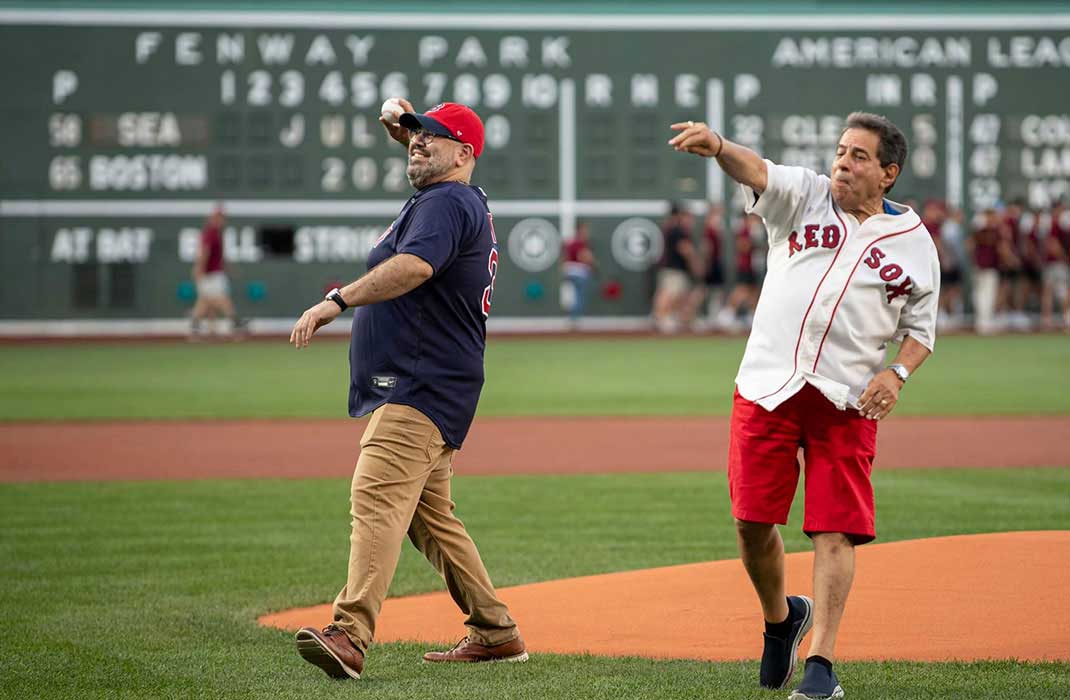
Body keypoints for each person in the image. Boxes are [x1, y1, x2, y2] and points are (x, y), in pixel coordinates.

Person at [669, 112, 939, 700]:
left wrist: (898, 372)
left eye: (859, 156)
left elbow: (922, 330)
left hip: (846, 398)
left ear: (888, 173)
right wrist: (717, 146)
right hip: (768, 383)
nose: (842, 162)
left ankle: (821, 666)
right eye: (841, 150)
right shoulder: (807, 195)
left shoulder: (916, 245)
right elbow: (758, 170)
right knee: (751, 522)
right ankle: (781, 618)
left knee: (834, 529)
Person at [288, 100, 526, 680]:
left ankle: (350, 634)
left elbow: (416, 266)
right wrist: (412, 135)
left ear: (465, 154)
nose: (418, 143)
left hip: (423, 383)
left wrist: (336, 299)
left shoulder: (446, 202)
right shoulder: (454, 196)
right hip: (439, 378)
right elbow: (437, 161)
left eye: (433, 137)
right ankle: (496, 632)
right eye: (417, 135)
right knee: (429, 517)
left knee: (374, 494)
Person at [189, 204, 245, 338]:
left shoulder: (216, 233)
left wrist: (228, 269)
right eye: (219, 217)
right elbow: (205, 253)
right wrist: (199, 269)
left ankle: (206, 329)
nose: (222, 220)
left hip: (213, 272)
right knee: (220, 300)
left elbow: (219, 256)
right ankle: (235, 323)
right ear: (213, 218)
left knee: (205, 301)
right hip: (211, 274)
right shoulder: (211, 233)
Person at [653, 203, 702, 333]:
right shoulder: (677, 230)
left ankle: (670, 318)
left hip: (676, 269)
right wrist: (696, 264)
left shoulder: (671, 229)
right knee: (668, 293)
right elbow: (686, 249)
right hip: (673, 269)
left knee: (678, 295)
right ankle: (661, 318)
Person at [717, 213, 763, 331]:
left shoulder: (754, 231)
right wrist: (753, 245)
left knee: (754, 293)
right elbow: (743, 246)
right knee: (741, 291)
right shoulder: (745, 230)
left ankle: (753, 317)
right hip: (744, 266)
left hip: (752, 267)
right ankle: (726, 315)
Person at [684, 203, 726, 329]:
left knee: (715, 291)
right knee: (702, 291)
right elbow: (706, 247)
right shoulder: (709, 229)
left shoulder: (714, 228)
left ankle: (713, 317)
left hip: (715, 262)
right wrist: (705, 263)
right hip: (711, 263)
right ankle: (689, 315)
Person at [968, 209, 1003, 335]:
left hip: (989, 267)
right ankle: (983, 323)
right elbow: (970, 246)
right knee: (982, 296)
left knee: (986, 296)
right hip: (982, 267)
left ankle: (984, 322)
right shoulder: (981, 231)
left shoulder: (989, 231)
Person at [560, 220, 598, 327]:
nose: (587, 233)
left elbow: (564, 257)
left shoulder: (571, 242)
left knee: (576, 296)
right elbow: (585, 257)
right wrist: (594, 266)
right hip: (579, 272)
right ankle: (573, 320)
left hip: (569, 271)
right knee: (579, 297)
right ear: (579, 230)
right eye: (585, 230)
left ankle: (572, 318)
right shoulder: (580, 243)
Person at [1040, 199, 1070, 330]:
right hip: (1057, 263)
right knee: (1059, 291)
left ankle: (1048, 320)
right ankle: (1064, 318)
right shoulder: (1055, 223)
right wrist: (1064, 258)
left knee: (1050, 291)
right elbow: (1052, 244)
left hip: (1051, 262)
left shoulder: (1052, 223)